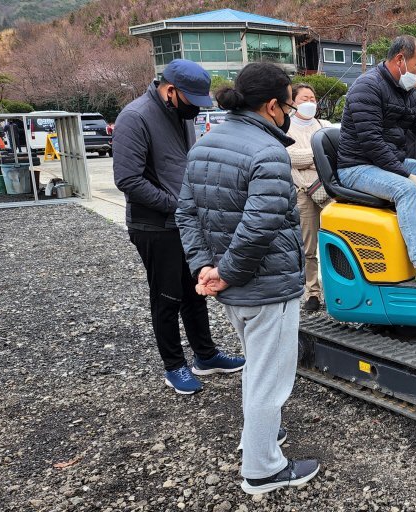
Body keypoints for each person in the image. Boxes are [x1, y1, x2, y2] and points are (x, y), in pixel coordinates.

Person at [176, 62, 319, 496]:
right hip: (266, 286)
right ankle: (263, 469)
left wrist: (206, 268)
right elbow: (260, 225)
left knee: (257, 368)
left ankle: (260, 436)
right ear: (273, 105)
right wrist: (223, 273)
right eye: (290, 104)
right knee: (268, 379)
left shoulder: (206, 143)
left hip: (234, 288)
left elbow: (186, 213)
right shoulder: (268, 151)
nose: (291, 112)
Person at [113, 59, 244, 395]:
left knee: (194, 291)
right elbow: (128, 179)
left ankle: (205, 355)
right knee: (166, 296)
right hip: (154, 225)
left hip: (185, 221)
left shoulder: (180, 114)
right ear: (170, 90)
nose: (195, 110)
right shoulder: (135, 116)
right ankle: (174, 366)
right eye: (191, 101)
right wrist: (178, 205)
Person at [336, 35, 416, 289]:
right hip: (356, 167)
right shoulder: (367, 87)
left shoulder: (406, 94)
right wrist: (406, 175)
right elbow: (372, 142)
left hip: (389, 163)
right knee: (406, 189)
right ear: (400, 60)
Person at [285, 83, 332, 313]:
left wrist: (308, 160)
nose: (310, 102)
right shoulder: (285, 128)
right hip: (302, 192)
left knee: (334, 242)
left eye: (313, 98)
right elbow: (288, 157)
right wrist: (318, 156)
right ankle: (312, 292)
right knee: (307, 246)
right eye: (304, 98)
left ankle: (335, 290)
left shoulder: (325, 126)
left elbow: (334, 154)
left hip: (329, 192)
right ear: (293, 102)